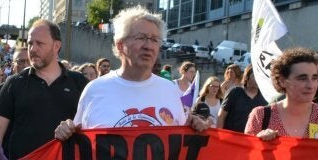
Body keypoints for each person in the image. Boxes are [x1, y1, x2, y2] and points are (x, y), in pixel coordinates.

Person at [54, 6, 209, 141]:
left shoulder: (171, 91)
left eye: (155, 39)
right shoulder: (94, 90)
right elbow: (77, 142)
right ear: (120, 45)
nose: (148, 46)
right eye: (141, 38)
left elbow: (182, 146)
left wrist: (197, 128)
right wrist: (65, 132)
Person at [0, 19, 89, 160]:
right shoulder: (14, 83)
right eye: (30, 43)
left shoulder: (79, 83)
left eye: (39, 43)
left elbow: (93, 127)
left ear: (56, 46)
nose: (33, 49)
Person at [245, 48, 318, 140]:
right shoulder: (261, 116)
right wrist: (258, 142)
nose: (310, 85)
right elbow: (246, 152)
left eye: (314, 78)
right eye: (302, 78)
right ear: (282, 81)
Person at [217, 64, 268, 132]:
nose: (258, 80)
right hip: (231, 138)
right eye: (255, 76)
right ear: (247, 77)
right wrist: (219, 136)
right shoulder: (235, 92)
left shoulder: (264, 98)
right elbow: (221, 116)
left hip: (252, 140)